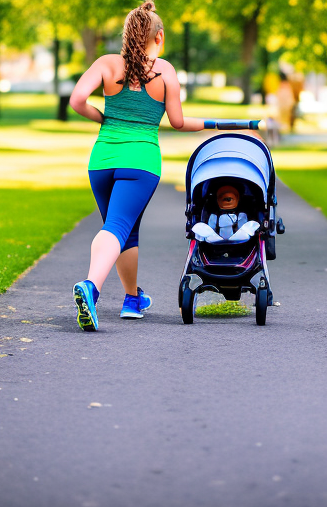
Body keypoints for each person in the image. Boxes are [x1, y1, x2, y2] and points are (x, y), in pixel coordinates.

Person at [69, 1, 214, 331]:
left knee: (122, 230)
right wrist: (212, 124)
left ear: (128, 34)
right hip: (141, 163)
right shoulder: (165, 72)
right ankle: (91, 288)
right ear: (158, 37)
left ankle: (132, 299)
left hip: (102, 160)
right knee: (118, 227)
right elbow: (177, 122)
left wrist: (102, 117)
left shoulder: (107, 64)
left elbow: (77, 100)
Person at [191, 184, 260, 243]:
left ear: (238, 197)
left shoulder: (243, 214)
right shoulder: (213, 215)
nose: (227, 198)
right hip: (214, 242)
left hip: (243, 242)